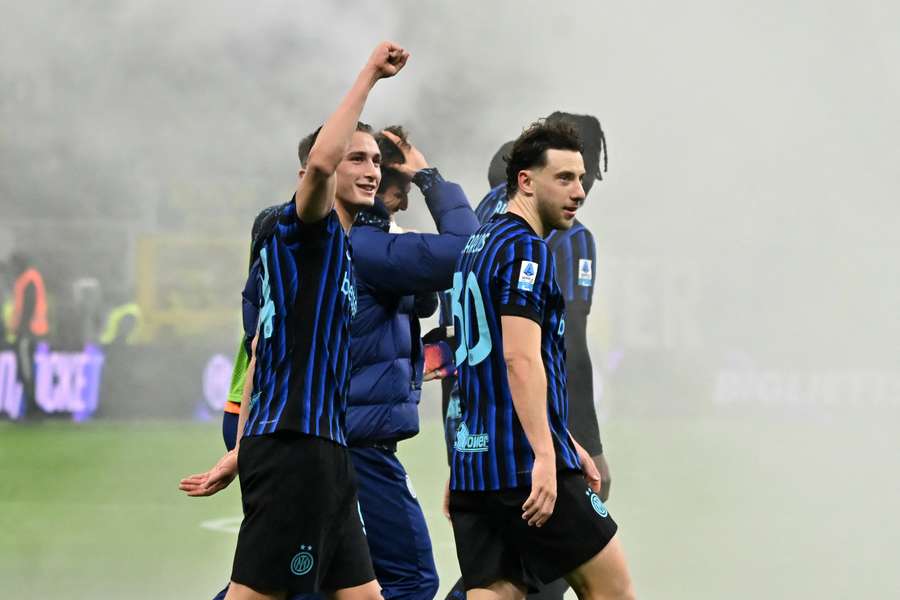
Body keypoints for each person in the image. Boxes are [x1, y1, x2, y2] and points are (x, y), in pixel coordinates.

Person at [180, 41, 409, 599]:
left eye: (377, 160)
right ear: (317, 172)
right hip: (296, 455)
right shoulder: (306, 230)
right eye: (358, 158)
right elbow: (323, 164)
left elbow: (262, 351)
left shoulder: (341, 254)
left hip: (320, 452)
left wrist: (240, 451)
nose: (372, 170)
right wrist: (369, 76)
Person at [446, 120, 635, 599]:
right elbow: (519, 360)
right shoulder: (527, 249)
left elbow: (475, 366)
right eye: (565, 178)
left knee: (497, 592)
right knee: (612, 588)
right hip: (523, 464)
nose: (579, 192)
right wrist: (549, 456)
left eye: (582, 179)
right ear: (526, 181)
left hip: (476, 463)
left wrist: (565, 439)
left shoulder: (477, 244)